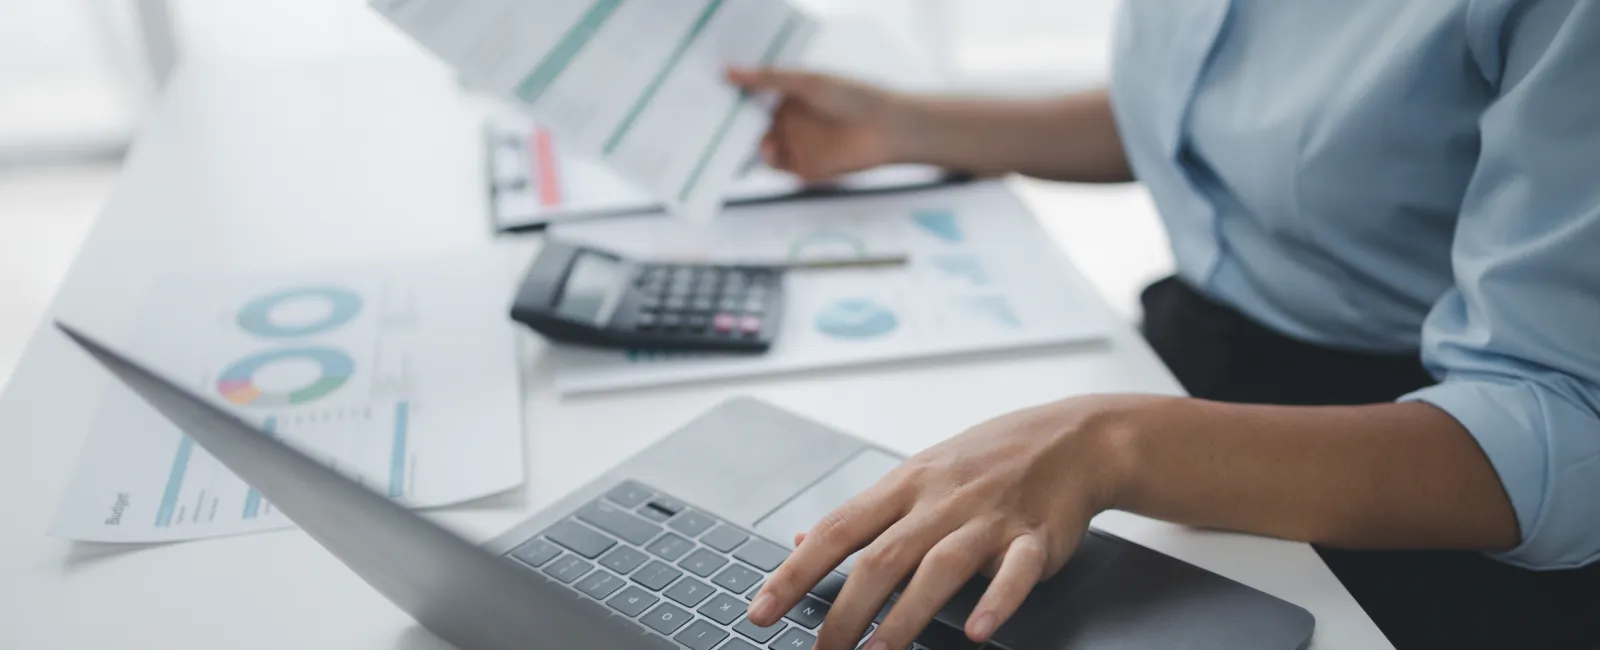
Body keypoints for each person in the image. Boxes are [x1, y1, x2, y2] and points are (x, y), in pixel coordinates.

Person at [725, 2, 1600, 649]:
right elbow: (1204, 119)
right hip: (1184, 368)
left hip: (1413, 468)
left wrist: (1108, 443)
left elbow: (1567, 426)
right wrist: (909, 125)